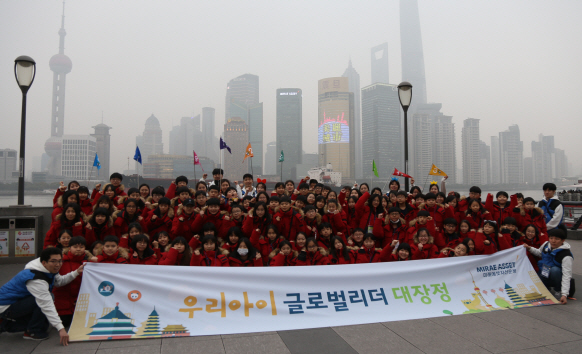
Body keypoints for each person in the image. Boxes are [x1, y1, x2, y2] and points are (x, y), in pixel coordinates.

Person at [0, 247, 83, 345]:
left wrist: (76, 272)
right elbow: (46, 304)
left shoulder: (47, 268)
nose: (58, 265)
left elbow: (59, 281)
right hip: (5, 306)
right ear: (44, 262)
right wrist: (61, 329)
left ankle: (23, 325)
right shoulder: (36, 279)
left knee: (45, 309)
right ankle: (31, 331)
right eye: (53, 261)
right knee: (47, 299)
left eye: (60, 261)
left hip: (17, 301)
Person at [525, 227, 573, 304]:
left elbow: (567, 275)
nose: (553, 241)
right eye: (551, 238)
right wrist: (529, 248)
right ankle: (546, 288)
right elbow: (539, 253)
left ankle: (558, 290)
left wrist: (564, 294)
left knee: (555, 270)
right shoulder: (546, 244)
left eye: (557, 239)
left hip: (557, 276)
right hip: (544, 271)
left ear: (562, 241)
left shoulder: (566, 255)